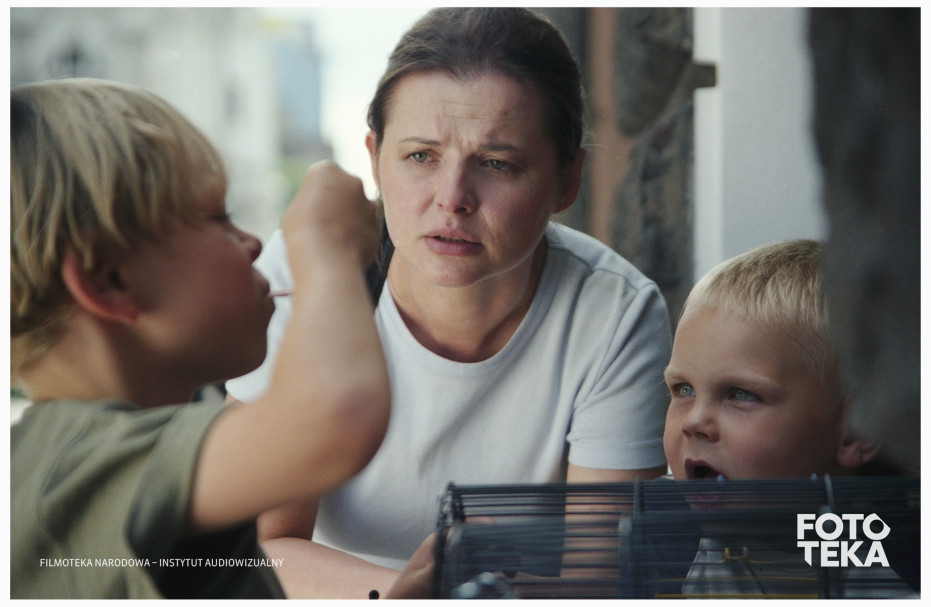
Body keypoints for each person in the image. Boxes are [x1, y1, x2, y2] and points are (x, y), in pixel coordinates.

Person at [225, 7, 672, 598]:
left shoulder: (613, 316)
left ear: (568, 179)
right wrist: (410, 592)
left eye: (497, 163)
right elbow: (255, 550)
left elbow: (597, 581)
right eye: (421, 156)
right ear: (374, 157)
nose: (453, 198)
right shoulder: (310, 273)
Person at [10, 78, 434, 599]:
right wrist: (327, 249)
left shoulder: (137, 452)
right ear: (109, 282)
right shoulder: (74, 467)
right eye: (220, 218)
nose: (253, 243)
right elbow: (337, 418)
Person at [661, 239, 915, 598]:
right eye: (683, 389)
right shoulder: (665, 543)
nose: (694, 422)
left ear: (856, 431)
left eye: (740, 394)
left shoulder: (903, 564)